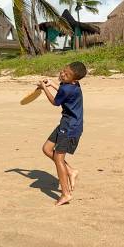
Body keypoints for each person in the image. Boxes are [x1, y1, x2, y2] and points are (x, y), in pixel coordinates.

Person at [38, 61, 87, 206]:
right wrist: (52, 83)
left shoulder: (67, 89)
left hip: (71, 128)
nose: (63, 74)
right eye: (63, 70)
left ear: (74, 79)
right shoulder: (73, 85)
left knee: (59, 159)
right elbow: (62, 90)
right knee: (47, 149)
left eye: (67, 74)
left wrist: (43, 88)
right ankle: (71, 171)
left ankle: (66, 194)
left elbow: (55, 102)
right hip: (65, 123)